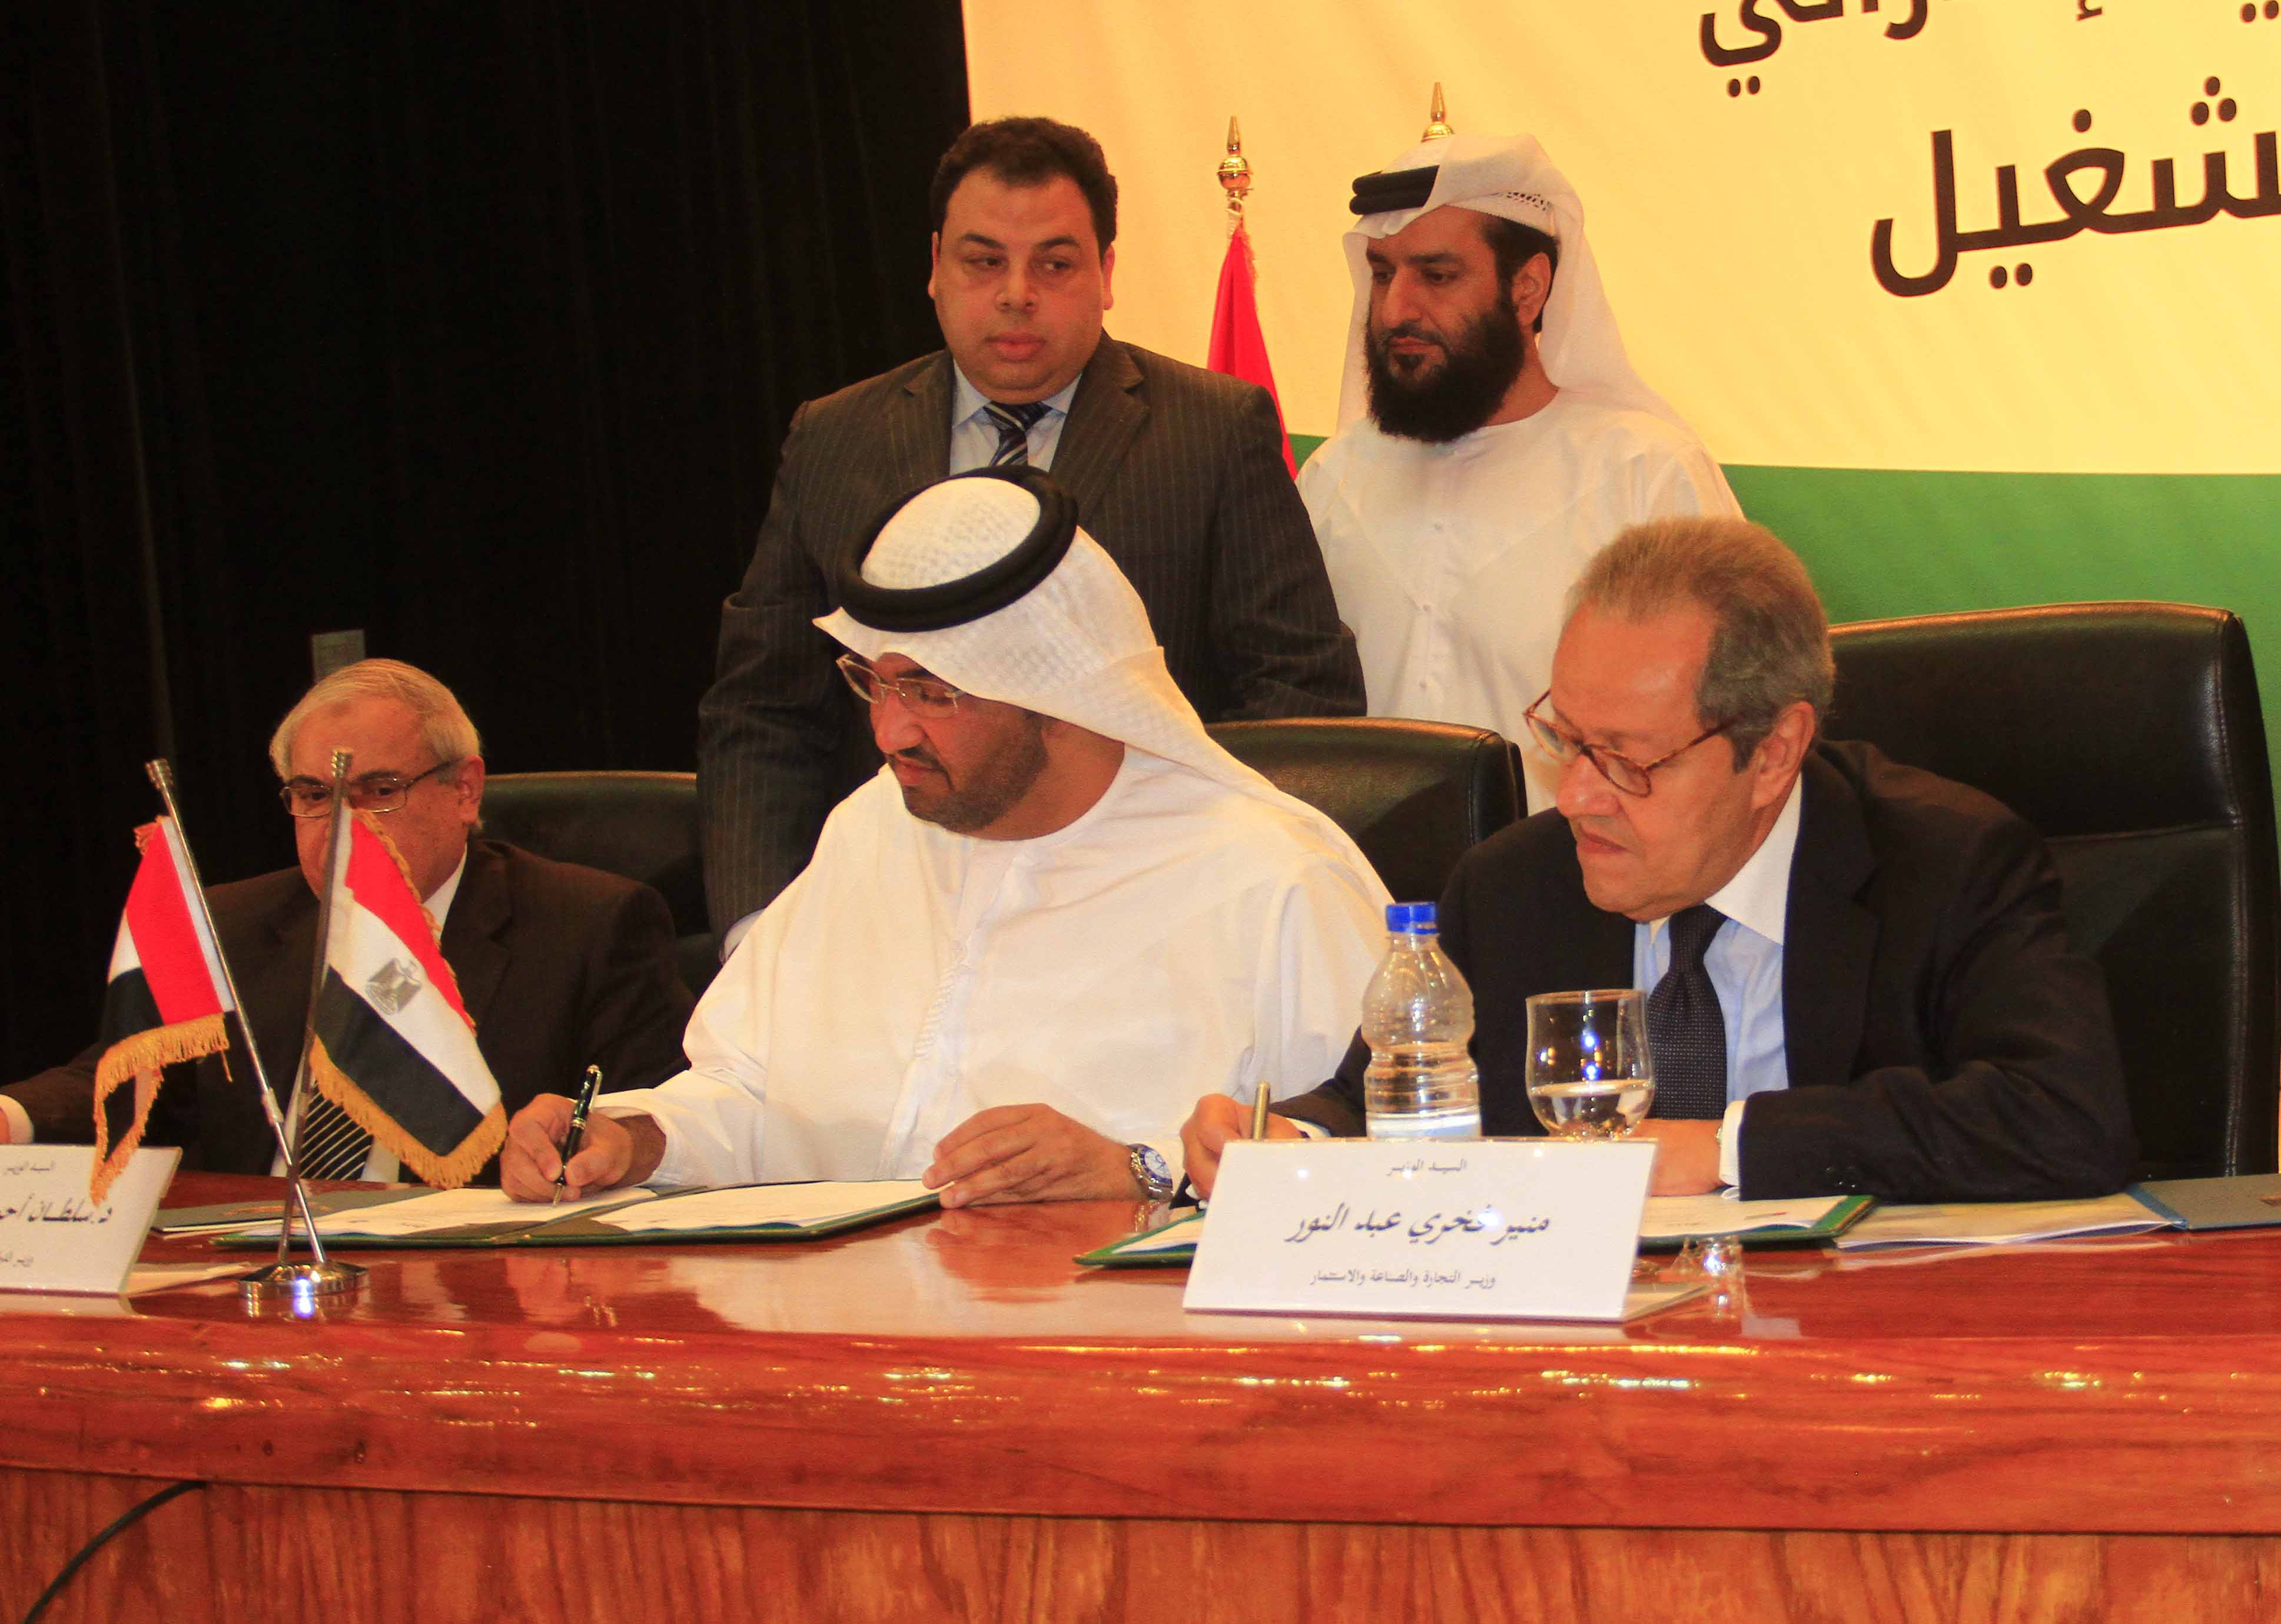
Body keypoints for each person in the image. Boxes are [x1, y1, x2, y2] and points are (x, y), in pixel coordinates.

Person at [1183, 517, 2136, 1205]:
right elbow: (1382, 1097)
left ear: (1773, 752)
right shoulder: (1513, 885)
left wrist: (1723, 1148)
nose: (1578, 795)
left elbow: (2064, 1116)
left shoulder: (1945, 863)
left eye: (1626, 758)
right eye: (1566, 738)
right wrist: (1289, 1137)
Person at [506, 469, 1388, 1208]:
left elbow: (1365, 1158)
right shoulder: (870, 830)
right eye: (874, 682)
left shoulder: (1272, 878)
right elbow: (749, 1092)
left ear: (1055, 691)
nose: (889, 732)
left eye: (933, 692)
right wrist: (632, 1137)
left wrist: (1137, 1168)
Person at [699, 114, 1365, 949]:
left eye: (1054, 263)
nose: (1016, 293)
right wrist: (760, 933)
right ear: (934, 266)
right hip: (886, 912)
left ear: (1106, 273)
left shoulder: (1212, 432)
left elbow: (1296, 694)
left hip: (1142, 913)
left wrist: (1218, 898)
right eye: (984, 261)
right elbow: (762, 709)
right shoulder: (835, 437)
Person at [1, 660, 694, 1178]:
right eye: (312, 795)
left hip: (474, 1283)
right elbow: (128, 1080)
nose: (341, 825)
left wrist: (583, 1148)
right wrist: (12, 1116)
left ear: (464, 790)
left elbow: (643, 1125)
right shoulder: (230, 923)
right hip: (258, 1270)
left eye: (379, 791)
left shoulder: (589, 926)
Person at [1302, 126, 1740, 811]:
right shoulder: (1333, 478)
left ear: (1528, 288)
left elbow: (1727, 728)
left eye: (1437, 276)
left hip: (1573, 866)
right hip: (1359, 873)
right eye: (1383, 274)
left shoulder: (1646, 475)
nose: (1394, 309)